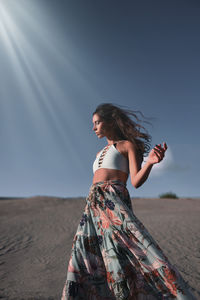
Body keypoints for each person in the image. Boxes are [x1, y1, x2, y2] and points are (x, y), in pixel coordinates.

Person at [61, 103, 196, 299]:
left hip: (114, 202)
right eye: (93, 124)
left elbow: (135, 181)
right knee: (85, 251)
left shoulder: (127, 145)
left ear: (110, 122)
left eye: (97, 123)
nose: (94, 128)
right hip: (93, 206)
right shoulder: (98, 154)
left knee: (131, 247)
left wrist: (149, 162)